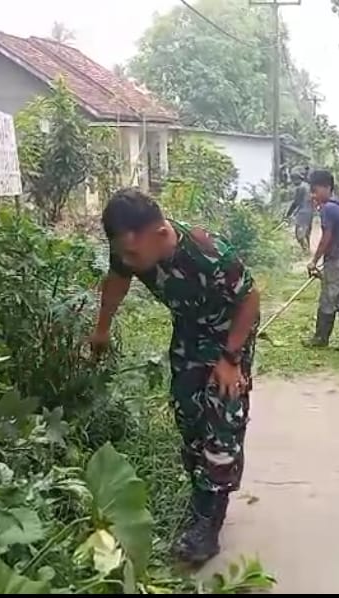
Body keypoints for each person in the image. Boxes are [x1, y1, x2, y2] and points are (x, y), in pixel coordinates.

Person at [89, 188, 260, 566]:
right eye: (123, 254)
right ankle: (200, 493)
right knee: (188, 414)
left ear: (161, 233)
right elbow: (117, 281)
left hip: (229, 331)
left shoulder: (208, 254)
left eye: (133, 253)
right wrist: (101, 329)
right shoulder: (132, 250)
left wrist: (231, 358)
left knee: (222, 419)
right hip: (189, 331)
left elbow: (250, 298)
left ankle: (207, 524)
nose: (128, 260)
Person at [305, 169, 339, 351]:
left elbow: (326, 238)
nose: (313, 194)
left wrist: (314, 260)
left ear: (326, 187)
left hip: (337, 261)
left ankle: (321, 338)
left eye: (315, 190)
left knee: (328, 300)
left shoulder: (328, 208)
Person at [284, 166, 314, 252]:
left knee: (299, 234)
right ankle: (308, 249)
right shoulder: (307, 186)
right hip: (310, 212)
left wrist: (288, 214)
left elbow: (295, 203)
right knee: (307, 233)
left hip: (302, 213)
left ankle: (305, 250)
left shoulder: (300, 188)